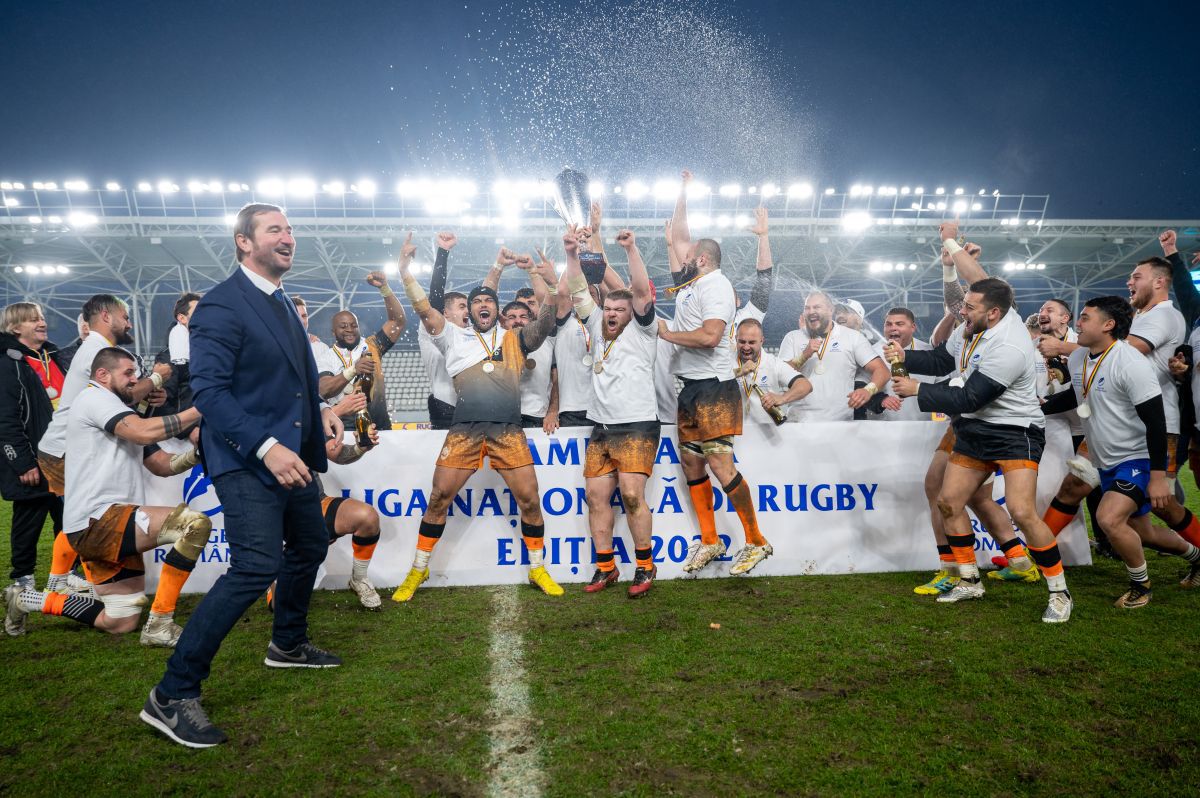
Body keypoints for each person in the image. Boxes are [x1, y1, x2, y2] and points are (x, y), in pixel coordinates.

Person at [141, 203, 346, 749]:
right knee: (257, 566)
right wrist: (267, 446)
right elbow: (209, 393)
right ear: (243, 243)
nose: (289, 237)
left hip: (292, 454)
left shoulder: (279, 301)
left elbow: (296, 373)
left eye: (291, 228)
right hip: (247, 458)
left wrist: (322, 410)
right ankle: (171, 694)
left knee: (309, 545)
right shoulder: (221, 306)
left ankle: (287, 643)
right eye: (275, 229)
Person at [389, 232, 564, 602]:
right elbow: (424, 309)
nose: (483, 303)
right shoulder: (453, 337)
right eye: (477, 301)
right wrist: (405, 272)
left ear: (496, 310)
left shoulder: (514, 338)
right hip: (464, 430)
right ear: (470, 311)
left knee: (530, 500)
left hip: (508, 431)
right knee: (439, 496)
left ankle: (538, 568)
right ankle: (418, 569)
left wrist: (551, 282)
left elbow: (546, 321)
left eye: (489, 300)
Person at [892, 270, 1073, 623]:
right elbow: (943, 360)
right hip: (975, 430)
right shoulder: (971, 328)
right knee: (948, 502)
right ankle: (970, 580)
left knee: (1022, 511)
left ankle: (1059, 591)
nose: (963, 312)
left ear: (993, 313)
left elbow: (972, 396)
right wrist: (904, 355)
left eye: (970, 307)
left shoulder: (1009, 345)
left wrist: (918, 391)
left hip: (1014, 433)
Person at [3, 347, 205, 646]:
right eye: (128, 373)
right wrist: (201, 409)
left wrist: (198, 454)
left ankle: (26, 599)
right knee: (193, 525)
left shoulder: (120, 411)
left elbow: (162, 465)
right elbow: (143, 432)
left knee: (120, 620)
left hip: (106, 523)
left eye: (135, 374)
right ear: (102, 375)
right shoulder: (94, 397)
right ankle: (161, 623)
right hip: (98, 519)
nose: (134, 381)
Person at [1040, 297, 1200, 608]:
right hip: (1102, 456)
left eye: (1085, 318)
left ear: (1108, 324)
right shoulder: (1079, 359)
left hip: (1137, 458)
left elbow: (1156, 424)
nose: (1078, 324)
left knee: (1109, 518)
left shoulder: (1130, 362)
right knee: (1146, 531)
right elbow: (1077, 397)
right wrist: (1039, 407)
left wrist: (1157, 477)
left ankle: (1142, 587)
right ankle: (1198, 557)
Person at [660, 171, 772, 576]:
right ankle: (710, 540)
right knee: (692, 465)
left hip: (714, 388)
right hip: (690, 389)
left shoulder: (717, 287)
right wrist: (682, 192)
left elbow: (709, 336)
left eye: (688, 255)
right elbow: (678, 238)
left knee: (721, 465)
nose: (681, 257)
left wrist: (668, 333)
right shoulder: (691, 285)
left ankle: (757, 541)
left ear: (701, 260)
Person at [37, 294, 171, 594]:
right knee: (88, 515)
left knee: (88, 514)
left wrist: (150, 394)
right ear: (107, 317)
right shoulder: (98, 351)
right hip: (65, 448)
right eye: (125, 316)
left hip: (70, 444)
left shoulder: (98, 349)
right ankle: (61, 582)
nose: (129, 322)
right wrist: (157, 379)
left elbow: (125, 398)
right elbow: (128, 396)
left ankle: (67, 578)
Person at [569, 229, 660, 595]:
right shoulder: (595, 324)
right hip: (602, 427)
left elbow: (640, 291)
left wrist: (631, 249)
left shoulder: (644, 331)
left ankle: (644, 565)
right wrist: (572, 253)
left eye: (619, 310)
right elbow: (578, 290)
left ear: (631, 314)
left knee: (633, 495)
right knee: (595, 497)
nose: (611, 314)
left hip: (637, 425)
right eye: (608, 308)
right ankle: (606, 567)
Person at [0, 303, 66, 589]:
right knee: (30, 519)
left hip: (65, 456)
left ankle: (65, 578)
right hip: (34, 460)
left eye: (41, 318)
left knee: (70, 520)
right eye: (32, 320)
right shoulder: (8, 363)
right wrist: (23, 462)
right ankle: (21, 582)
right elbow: (5, 419)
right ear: (15, 328)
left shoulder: (53, 357)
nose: (41, 323)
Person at [777, 291, 890, 422]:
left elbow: (882, 371)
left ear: (831, 310)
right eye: (807, 308)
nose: (811, 311)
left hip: (840, 423)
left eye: (817, 307)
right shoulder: (792, 337)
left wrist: (868, 391)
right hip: (799, 421)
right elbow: (780, 376)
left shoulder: (853, 337)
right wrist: (803, 356)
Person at [317, 271, 407, 431]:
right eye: (343, 326)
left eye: (353, 325)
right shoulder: (327, 357)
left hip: (379, 426)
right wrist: (353, 370)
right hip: (344, 428)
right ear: (333, 332)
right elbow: (324, 390)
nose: (349, 329)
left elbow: (397, 321)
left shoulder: (372, 345)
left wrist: (385, 289)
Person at [732, 318, 811, 430]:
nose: (746, 347)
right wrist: (739, 372)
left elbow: (805, 385)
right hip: (734, 432)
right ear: (736, 339)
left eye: (752, 342)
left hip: (767, 435)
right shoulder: (726, 361)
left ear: (762, 340)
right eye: (742, 341)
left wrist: (782, 398)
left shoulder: (773, 363)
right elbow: (711, 383)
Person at [420, 232, 463, 430]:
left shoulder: (470, 334)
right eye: (462, 306)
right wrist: (443, 253)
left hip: (471, 409)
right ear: (445, 312)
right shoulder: (432, 328)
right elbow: (436, 295)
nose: (468, 310)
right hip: (444, 408)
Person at [869, 307, 935, 422]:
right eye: (888, 324)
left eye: (899, 324)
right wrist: (880, 400)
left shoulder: (928, 352)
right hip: (882, 428)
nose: (893, 328)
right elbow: (861, 387)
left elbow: (943, 386)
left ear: (913, 327)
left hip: (923, 427)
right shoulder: (871, 353)